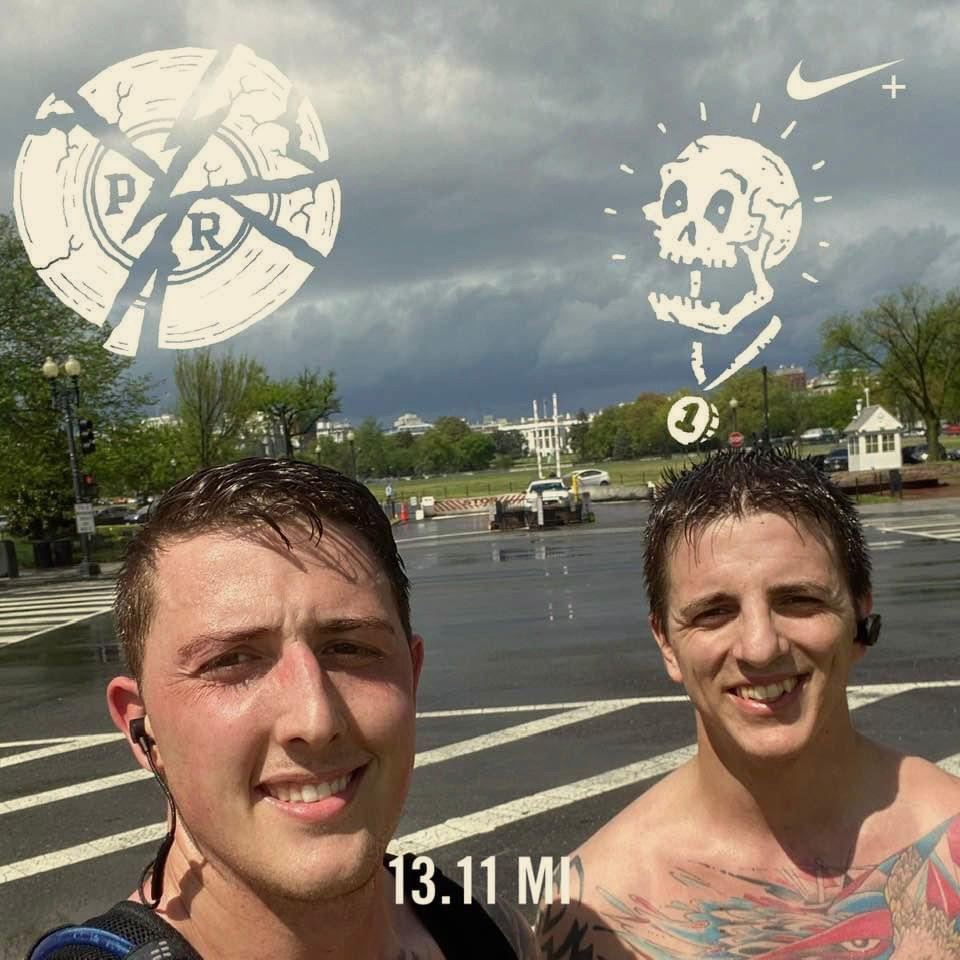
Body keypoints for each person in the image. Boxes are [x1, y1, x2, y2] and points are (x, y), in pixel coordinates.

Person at [28, 458, 535, 960]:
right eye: (231, 661)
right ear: (142, 727)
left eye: (350, 648)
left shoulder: (488, 931)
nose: (315, 721)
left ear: (412, 676)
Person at [536, 449, 960, 959]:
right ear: (666, 643)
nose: (760, 648)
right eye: (714, 612)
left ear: (859, 614)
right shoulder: (592, 906)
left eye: (799, 600)